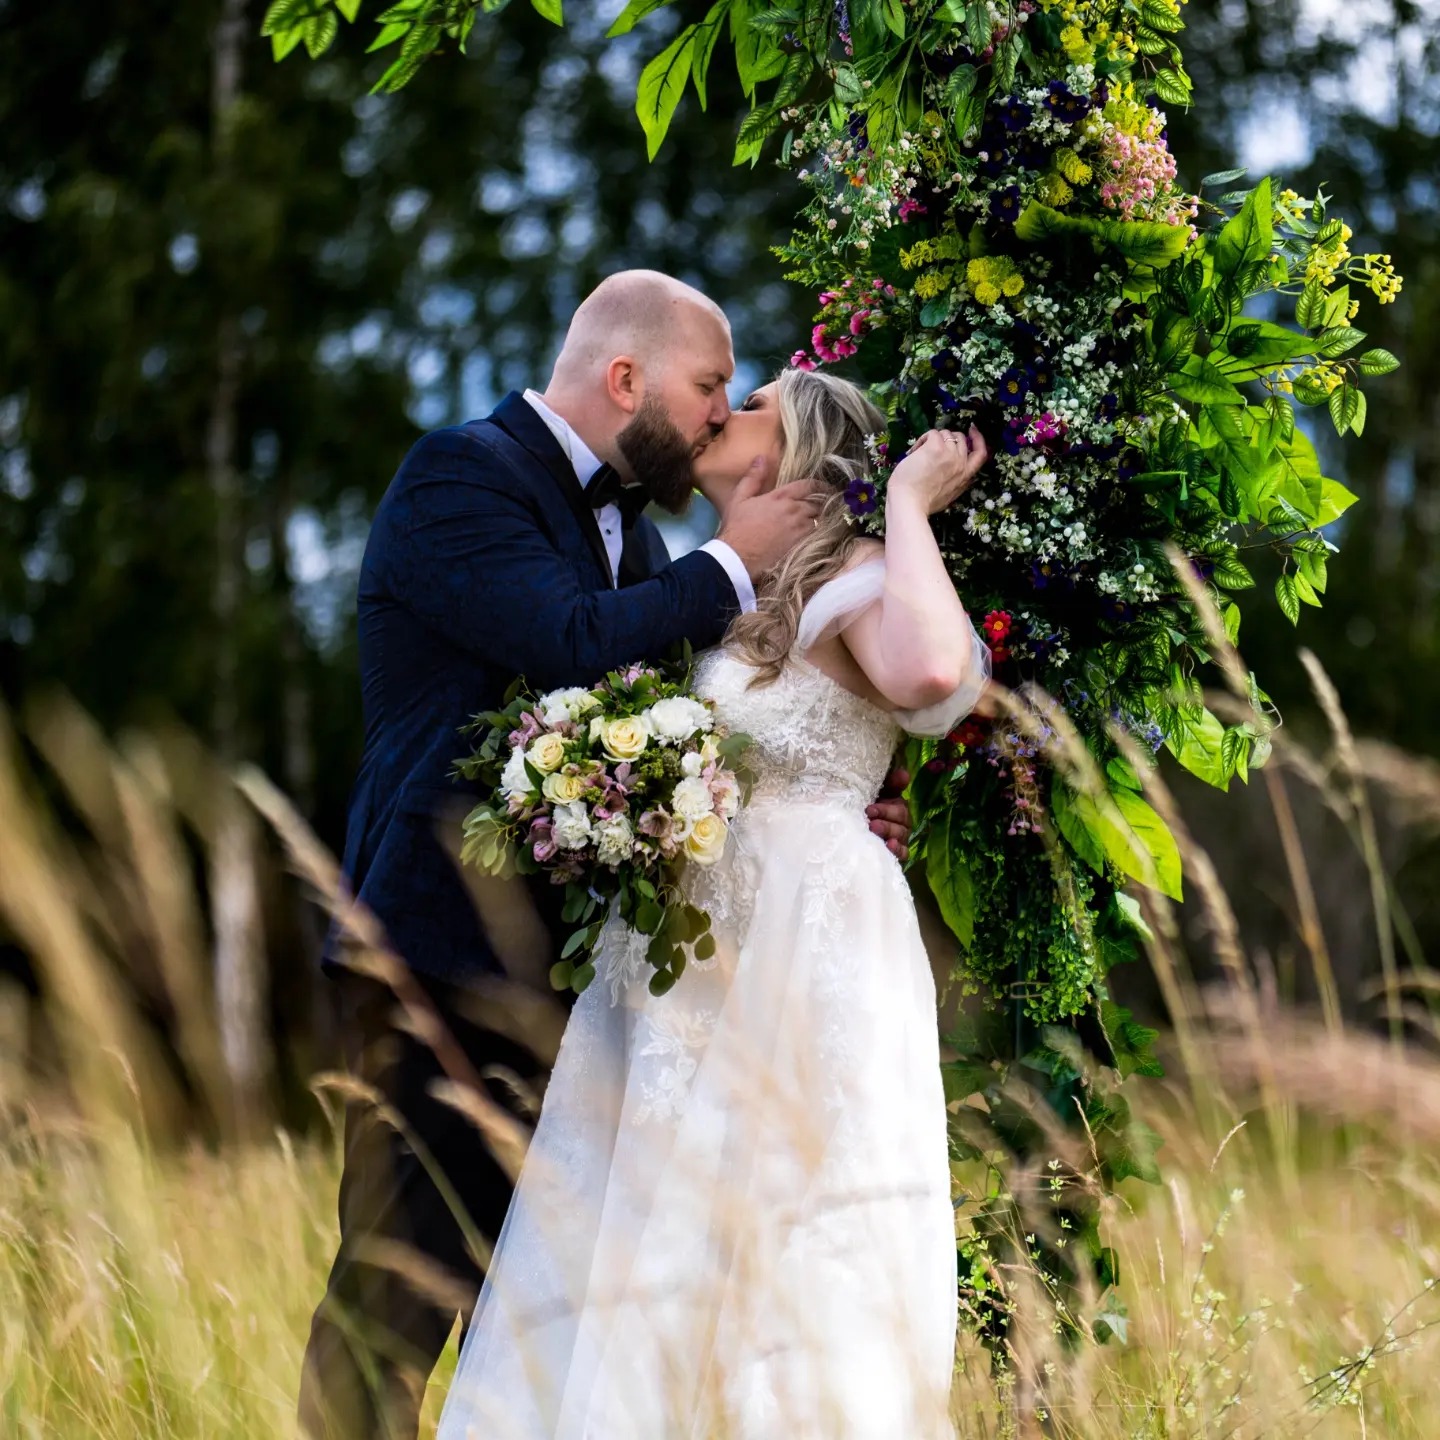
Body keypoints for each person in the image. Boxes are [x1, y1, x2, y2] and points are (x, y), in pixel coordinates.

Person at [299, 273, 917, 1440]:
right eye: (705, 387)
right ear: (625, 379)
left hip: (586, 997)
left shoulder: (634, 535)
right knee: (394, 1294)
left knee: (536, 1326)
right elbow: (568, 646)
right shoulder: (461, 476)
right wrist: (734, 557)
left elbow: (679, 738)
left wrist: (829, 811)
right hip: (441, 961)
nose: (715, 415)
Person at [436, 367, 991, 1439]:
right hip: (690, 962)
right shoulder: (720, 592)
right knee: (646, 1234)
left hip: (802, 943)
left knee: (782, 1231)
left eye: (750, 410)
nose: (718, 417)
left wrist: (909, 507)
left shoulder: (861, 572)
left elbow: (928, 673)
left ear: (791, 455)